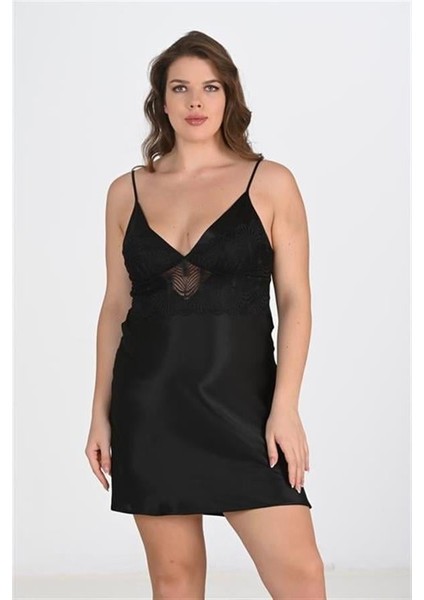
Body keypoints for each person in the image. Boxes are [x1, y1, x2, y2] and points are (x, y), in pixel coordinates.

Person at [85, 30, 327, 599]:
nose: (196, 101)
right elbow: (115, 305)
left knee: (300, 575)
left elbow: (295, 299)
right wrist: (99, 413)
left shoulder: (270, 182)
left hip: (244, 406)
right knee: (175, 579)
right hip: (150, 407)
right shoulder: (126, 192)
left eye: (210, 87)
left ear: (229, 96)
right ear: (161, 101)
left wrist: (285, 407)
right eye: (181, 88)